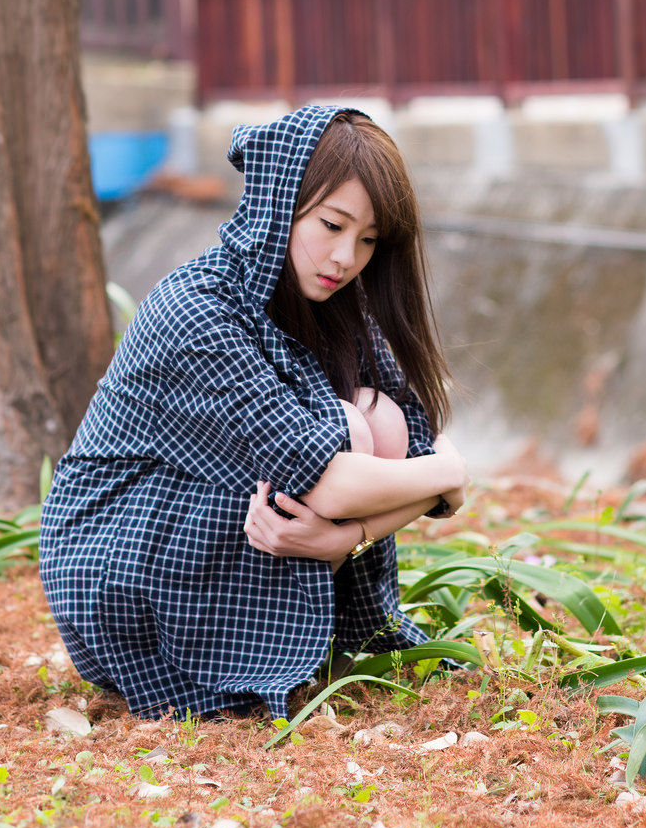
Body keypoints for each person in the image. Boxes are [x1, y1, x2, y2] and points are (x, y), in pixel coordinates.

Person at [40, 105, 467, 720]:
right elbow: (361, 482)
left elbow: (416, 445)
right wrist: (450, 477)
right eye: (331, 224)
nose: (345, 257)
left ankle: (323, 643)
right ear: (279, 201)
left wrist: (346, 539)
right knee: (346, 431)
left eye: (368, 240)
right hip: (122, 554)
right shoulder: (197, 312)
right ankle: (248, 661)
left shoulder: (335, 306)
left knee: (382, 416)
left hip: (221, 526)